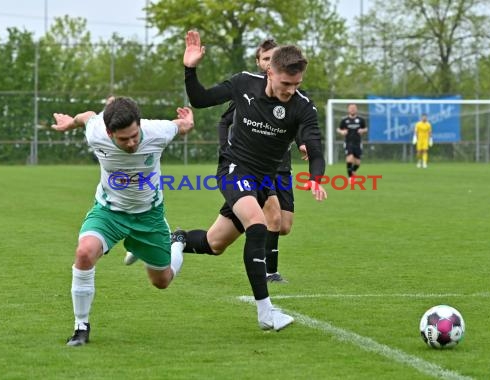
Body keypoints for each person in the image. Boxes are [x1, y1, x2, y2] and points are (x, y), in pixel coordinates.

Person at [179, 30, 327, 331]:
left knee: (214, 243)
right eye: (286, 83)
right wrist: (190, 68)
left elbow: (314, 145)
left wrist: (315, 178)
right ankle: (265, 312)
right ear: (269, 70)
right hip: (234, 169)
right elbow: (200, 98)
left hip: (261, 181)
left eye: (297, 84)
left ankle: (175, 239)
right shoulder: (244, 83)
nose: (290, 90)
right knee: (258, 225)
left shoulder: (302, 106)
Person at [51, 97, 194, 346]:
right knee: (84, 253)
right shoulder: (96, 132)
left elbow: (180, 126)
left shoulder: (156, 131)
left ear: (140, 125)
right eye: (123, 139)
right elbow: (85, 116)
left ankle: (177, 241)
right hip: (109, 212)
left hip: (149, 216)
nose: (131, 143)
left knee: (162, 281)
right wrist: (69, 123)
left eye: (134, 136)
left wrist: (188, 121)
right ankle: (80, 327)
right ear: (109, 133)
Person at [216, 38, 308, 283]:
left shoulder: (293, 95)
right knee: (270, 217)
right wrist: (226, 150)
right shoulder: (247, 92)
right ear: (260, 63)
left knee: (283, 224)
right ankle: (269, 272)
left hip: (282, 167)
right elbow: (225, 121)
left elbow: (301, 123)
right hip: (252, 168)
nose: (269, 62)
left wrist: (302, 142)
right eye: (265, 58)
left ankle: (192, 239)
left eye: (272, 57)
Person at [336, 104, 367, 182]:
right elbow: (338, 129)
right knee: (350, 158)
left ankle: (353, 171)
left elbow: (365, 129)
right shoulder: (345, 120)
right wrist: (342, 132)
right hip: (348, 142)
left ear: (356, 109)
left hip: (358, 143)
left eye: (354, 108)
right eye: (351, 108)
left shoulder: (360, 120)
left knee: (358, 163)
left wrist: (362, 130)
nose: (352, 109)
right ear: (348, 110)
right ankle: (350, 177)